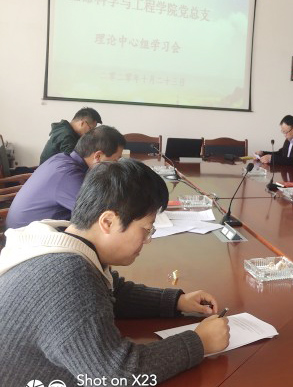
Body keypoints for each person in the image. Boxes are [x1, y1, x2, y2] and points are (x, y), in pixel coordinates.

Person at [0, 159, 229, 385]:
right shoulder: (67, 278)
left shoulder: (64, 241)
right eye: (146, 229)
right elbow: (115, 375)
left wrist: (177, 301)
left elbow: (113, 292)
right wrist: (199, 342)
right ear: (108, 221)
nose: (148, 240)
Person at [6, 125, 125, 229]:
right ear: (98, 156)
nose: (116, 165)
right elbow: (98, 215)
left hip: (31, 230)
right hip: (26, 240)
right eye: (115, 160)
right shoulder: (68, 175)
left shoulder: (62, 159)